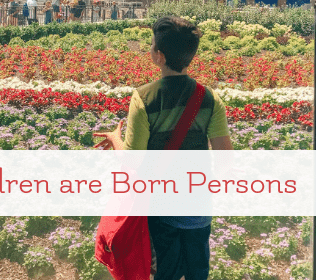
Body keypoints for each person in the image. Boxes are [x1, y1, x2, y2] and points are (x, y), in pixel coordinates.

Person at [94, 16, 233, 280]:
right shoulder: (210, 98)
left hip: (160, 207)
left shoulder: (143, 98)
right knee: (197, 271)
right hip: (197, 208)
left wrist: (115, 139)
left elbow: (133, 162)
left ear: (158, 56)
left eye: (151, 46)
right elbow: (225, 163)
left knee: (165, 272)